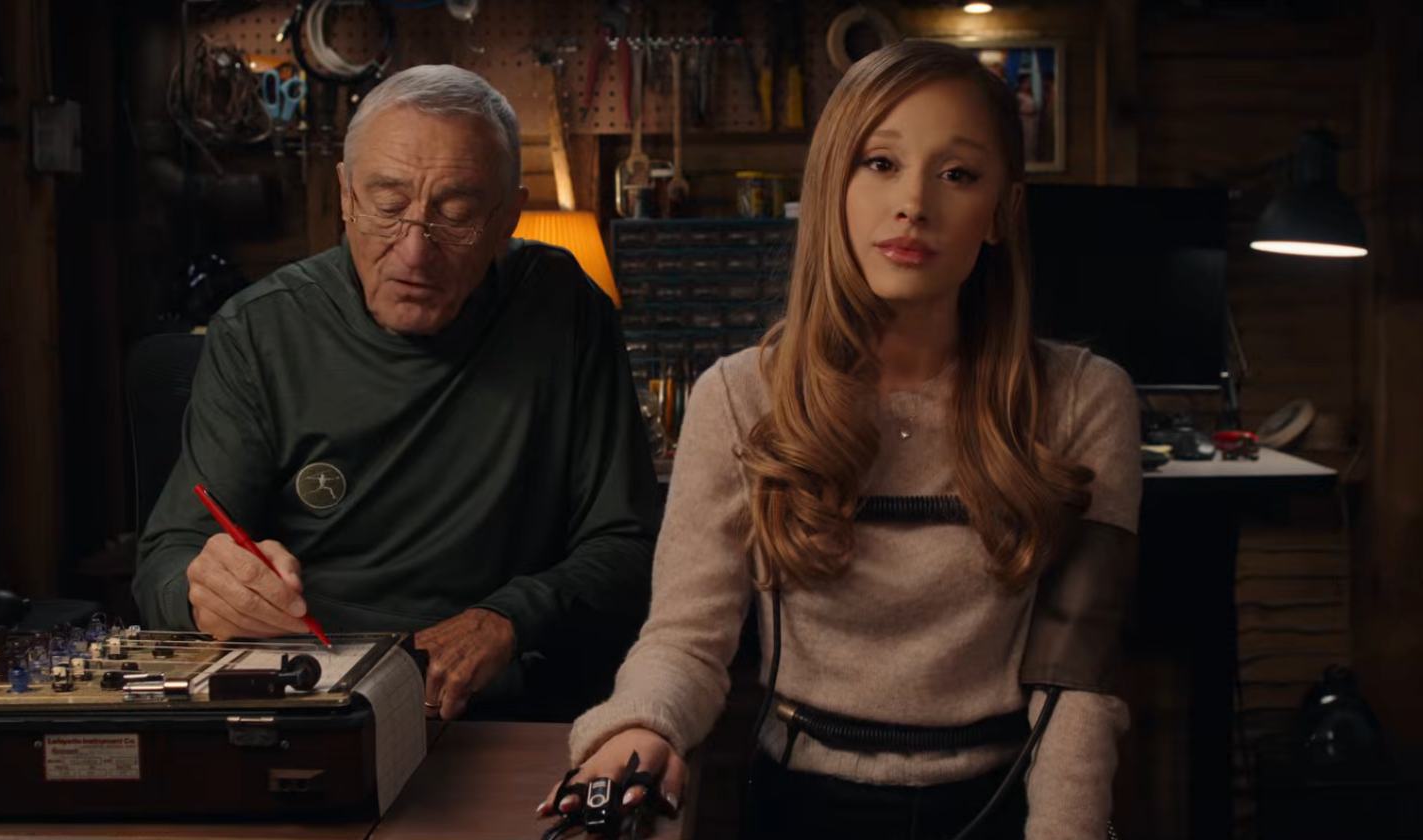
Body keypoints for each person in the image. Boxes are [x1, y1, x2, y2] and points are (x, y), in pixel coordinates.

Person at [539, 41, 1141, 839]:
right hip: (799, 806)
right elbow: (686, 641)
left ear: (1002, 212)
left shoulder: (1085, 398)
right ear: (830, 189)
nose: (913, 203)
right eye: (880, 163)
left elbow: (1078, 684)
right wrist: (637, 729)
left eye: (957, 173)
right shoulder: (738, 397)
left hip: (1002, 802)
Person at [134, 65, 660, 723]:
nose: (414, 253)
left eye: (456, 215)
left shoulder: (564, 311)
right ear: (346, 196)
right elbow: (166, 560)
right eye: (387, 207)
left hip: (503, 699)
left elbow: (629, 546)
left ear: (507, 218)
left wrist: (510, 618)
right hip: (316, 694)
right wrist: (204, 592)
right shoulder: (261, 330)